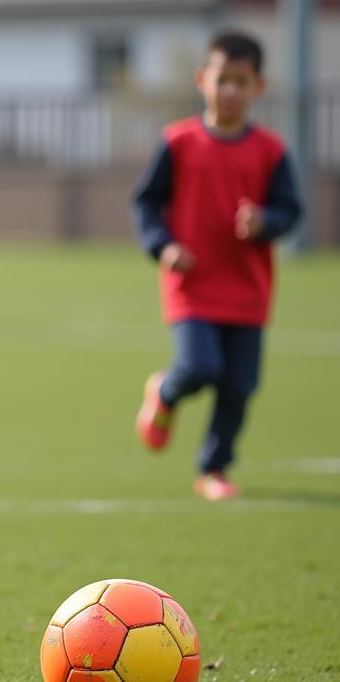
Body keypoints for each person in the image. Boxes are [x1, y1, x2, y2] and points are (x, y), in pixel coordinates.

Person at [132, 31, 302, 501]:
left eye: (240, 82)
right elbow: (147, 204)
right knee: (201, 365)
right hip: (192, 285)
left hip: (248, 290)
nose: (229, 91)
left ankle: (214, 469)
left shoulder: (271, 151)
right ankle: (165, 391)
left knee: (239, 386)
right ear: (202, 80)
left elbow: (291, 211)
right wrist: (163, 246)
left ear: (258, 88)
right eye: (221, 79)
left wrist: (266, 220)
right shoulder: (178, 142)